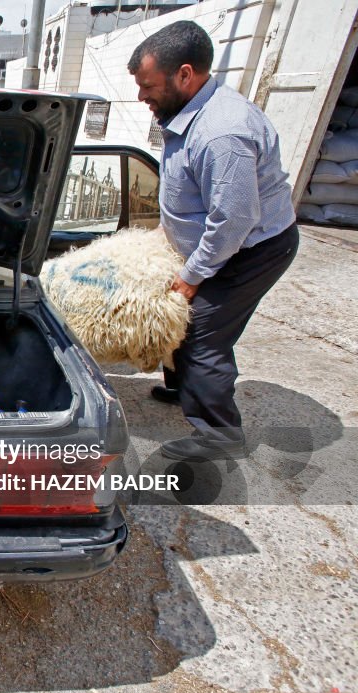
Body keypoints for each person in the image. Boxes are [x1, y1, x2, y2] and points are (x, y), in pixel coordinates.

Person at [128, 21, 299, 461]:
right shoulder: (189, 114)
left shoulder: (223, 133)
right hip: (227, 242)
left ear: (185, 75)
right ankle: (188, 389)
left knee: (201, 334)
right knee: (185, 325)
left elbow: (233, 221)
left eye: (148, 86)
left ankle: (219, 434)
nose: (142, 96)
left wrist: (193, 275)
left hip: (250, 250)